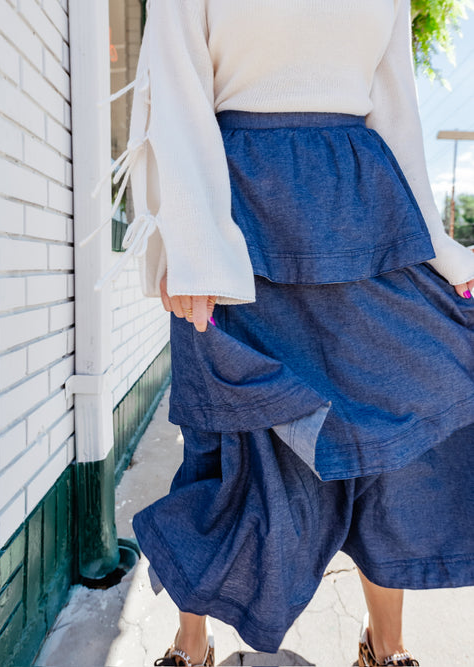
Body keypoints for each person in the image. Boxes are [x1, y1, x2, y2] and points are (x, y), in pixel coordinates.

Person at [85, 1, 474, 665]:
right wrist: (187, 246)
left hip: (361, 222)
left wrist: (440, 256)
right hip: (235, 227)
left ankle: (386, 648)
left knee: (384, 438)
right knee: (223, 437)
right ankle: (191, 645)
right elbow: (175, 89)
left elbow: (397, 115)